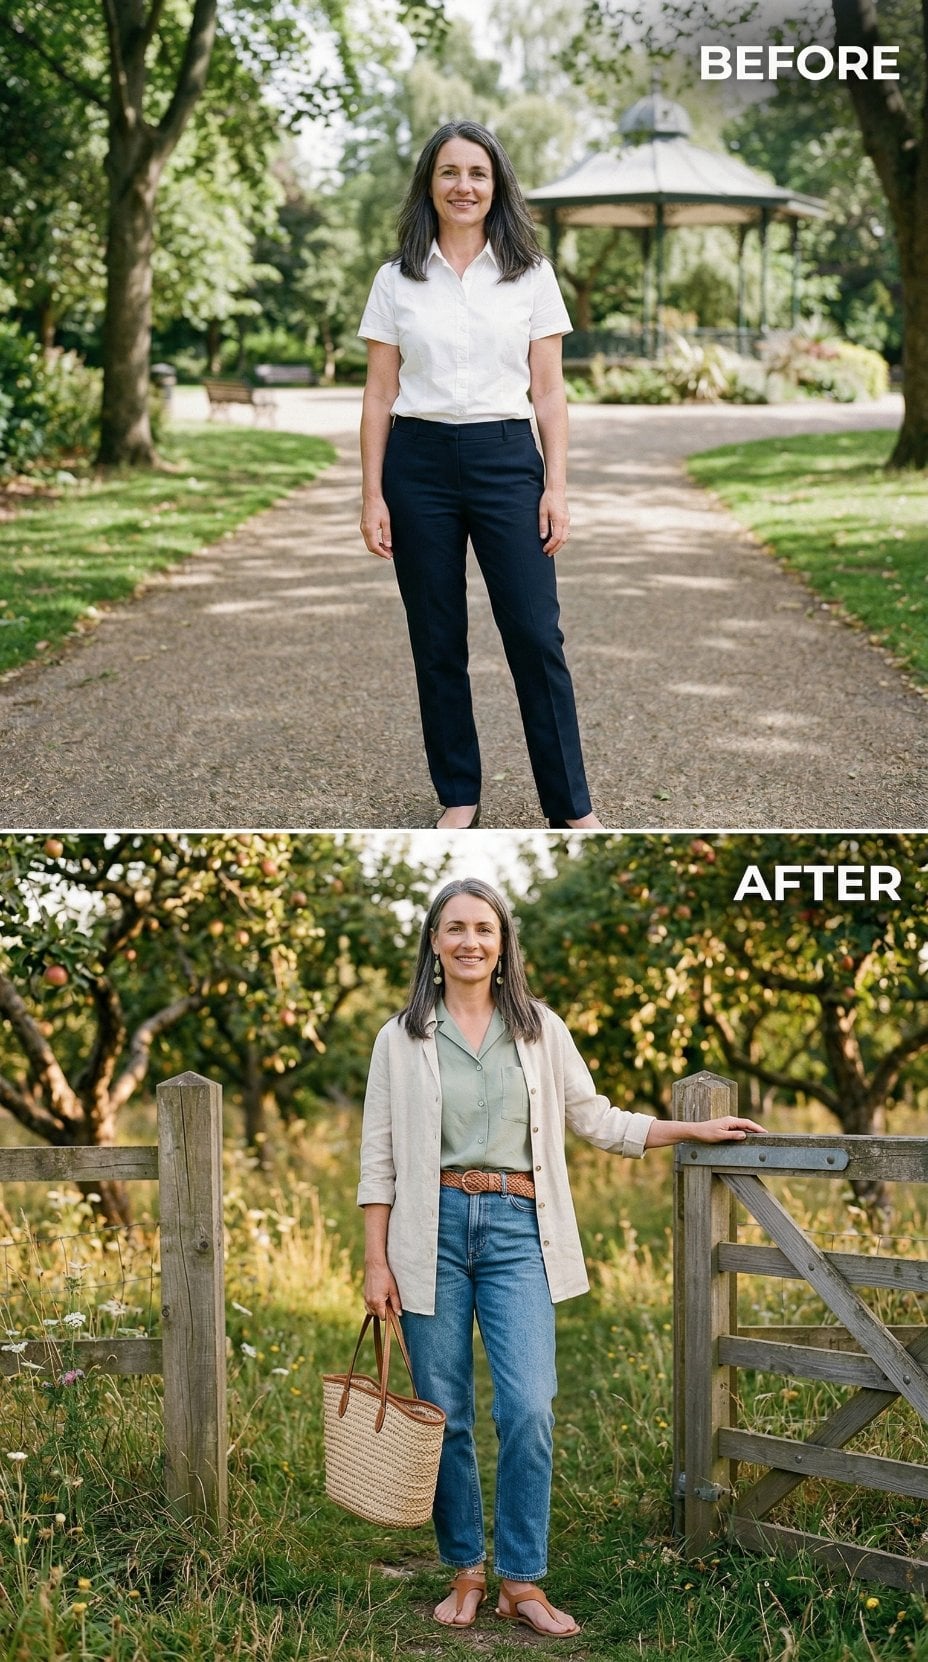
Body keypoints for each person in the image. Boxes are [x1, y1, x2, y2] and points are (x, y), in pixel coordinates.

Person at [358, 877, 764, 1637]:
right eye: (455, 929)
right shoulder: (400, 1036)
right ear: (434, 946)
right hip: (429, 1231)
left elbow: (595, 1118)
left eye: (485, 928)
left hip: (518, 1230)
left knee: (530, 1407)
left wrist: (690, 1132)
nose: (470, 941)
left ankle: (523, 1580)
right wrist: (377, 1263)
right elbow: (377, 1158)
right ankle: (466, 1572)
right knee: (442, 1413)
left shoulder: (540, 1029)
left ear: (505, 944)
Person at [357, 120, 604, 832]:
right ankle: (458, 792)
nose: (463, 186)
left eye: (477, 174)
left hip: (505, 460)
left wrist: (556, 486)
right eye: (449, 173)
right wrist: (371, 493)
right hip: (419, 464)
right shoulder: (395, 278)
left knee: (534, 633)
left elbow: (550, 391)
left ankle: (570, 806)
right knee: (436, 639)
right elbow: (378, 392)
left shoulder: (530, 274)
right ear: (428, 186)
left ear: (497, 186)